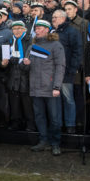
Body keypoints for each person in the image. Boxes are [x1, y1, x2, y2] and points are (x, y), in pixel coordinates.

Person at [27, 20, 66, 156]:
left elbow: (60, 67)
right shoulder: (32, 46)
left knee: (54, 118)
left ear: (47, 30)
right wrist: (25, 63)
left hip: (50, 88)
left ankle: (55, 143)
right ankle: (43, 140)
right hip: (35, 88)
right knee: (39, 116)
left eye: (40, 28)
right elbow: (25, 67)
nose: (37, 30)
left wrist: (56, 86)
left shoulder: (56, 45)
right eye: (36, 28)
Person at [52, 9, 83, 134]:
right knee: (56, 100)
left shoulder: (72, 32)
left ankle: (70, 124)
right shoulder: (51, 32)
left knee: (68, 98)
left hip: (66, 71)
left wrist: (73, 68)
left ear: (63, 18)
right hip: (52, 72)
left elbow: (77, 51)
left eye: (56, 17)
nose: (53, 19)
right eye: (53, 17)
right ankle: (58, 124)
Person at [6, 21, 35, 131]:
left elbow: (30, 58)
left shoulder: (30, 40)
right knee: (14, 102)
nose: (16, 31)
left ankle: (30, 123)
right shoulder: (10, 41)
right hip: (13, 75)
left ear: (24, 29)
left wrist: (20, 61)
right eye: (14, 29)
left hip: (25, 76)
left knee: (27, 102)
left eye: (19, 28)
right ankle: (15, 122)